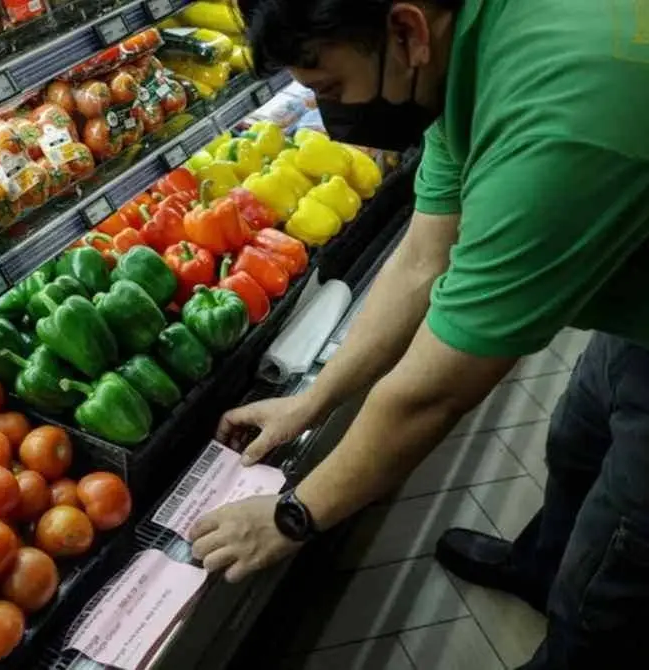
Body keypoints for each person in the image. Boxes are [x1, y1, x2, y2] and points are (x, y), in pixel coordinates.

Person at [187, 0, 649, 667]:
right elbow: (421, 262)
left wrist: (295, 515)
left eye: (330, 88)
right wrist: (312, 401)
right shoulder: (457, 43)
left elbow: (434, 392)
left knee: (617, 563)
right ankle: (539, 566)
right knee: (578, 439)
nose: (331, 113)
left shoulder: (553, 127)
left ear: (402, 29)